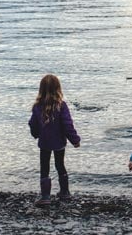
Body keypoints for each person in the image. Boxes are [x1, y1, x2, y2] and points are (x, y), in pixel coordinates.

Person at [28, 74, 81, 206]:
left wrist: (35, 134)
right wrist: (75, 140)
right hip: (59, 142)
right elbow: (67, 124)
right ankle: (65, 192)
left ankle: (45, 196)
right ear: (58, 88)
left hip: (44, 142)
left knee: (44, 167)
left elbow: (32, 123)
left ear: (41, 89)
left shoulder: (37, 106)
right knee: (60, 165)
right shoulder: (61, 105)